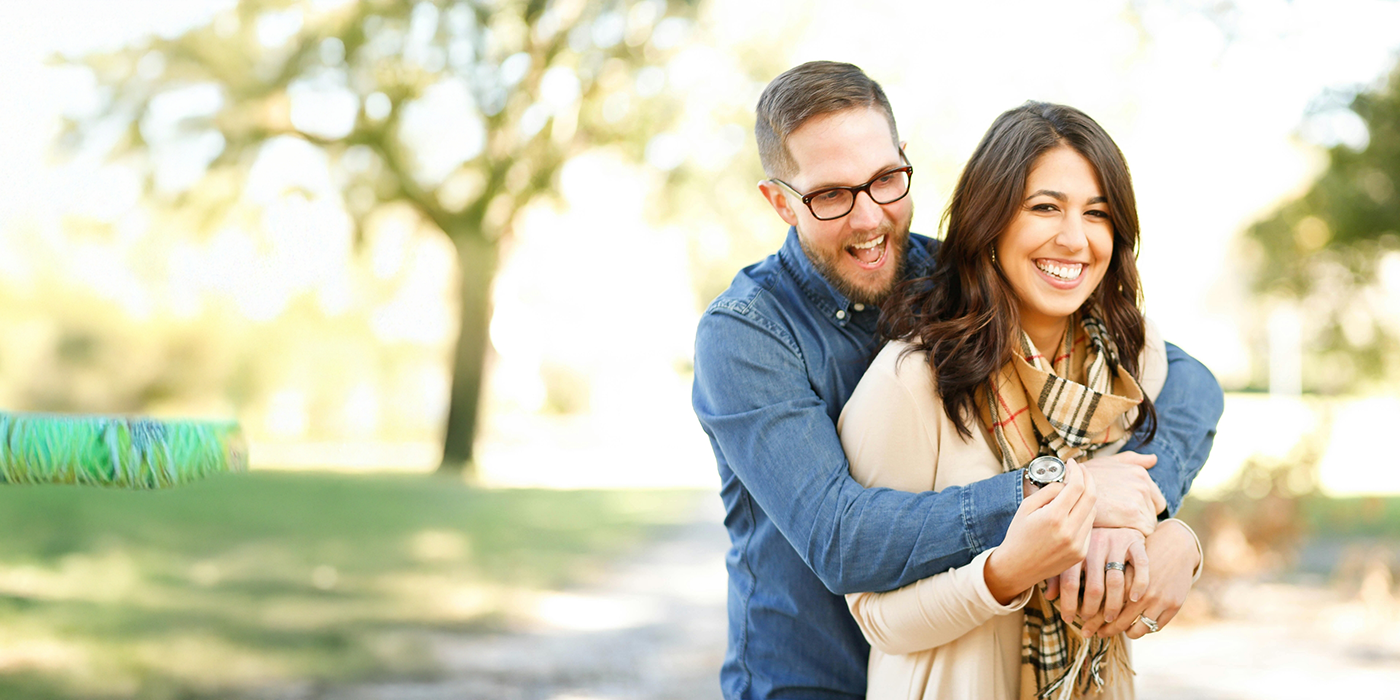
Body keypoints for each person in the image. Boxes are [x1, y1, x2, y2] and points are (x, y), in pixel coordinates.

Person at [691, 61, 1223, 700]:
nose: (868, 219)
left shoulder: (956, 278)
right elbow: (841, 537)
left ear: (904, 163)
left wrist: (1145, 513)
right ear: (780, 200)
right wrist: (1054, 492)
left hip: (961, 665)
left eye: (885, 179)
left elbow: (1188, 382)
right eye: (830, 194)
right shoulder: (747, 334)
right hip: (807, 678)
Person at [838, 101, 1204, 700]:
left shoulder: (1128, 359)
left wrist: (1177, 541)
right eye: (1045, 208)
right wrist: (1007, 571)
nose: (1074, 238)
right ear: (992, 222)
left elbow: (1140, 495)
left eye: (1097, 213)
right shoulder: (913, 380)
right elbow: (875, 614)